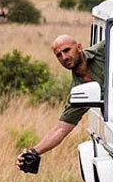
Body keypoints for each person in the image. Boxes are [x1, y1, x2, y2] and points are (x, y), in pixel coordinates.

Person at [16, 34, 105, 169]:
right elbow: (61, 129)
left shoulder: (103, 50)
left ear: (79, 47)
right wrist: (33, 152)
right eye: (58, 55)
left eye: (67, 50)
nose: (64, 57)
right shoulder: (79, 90)